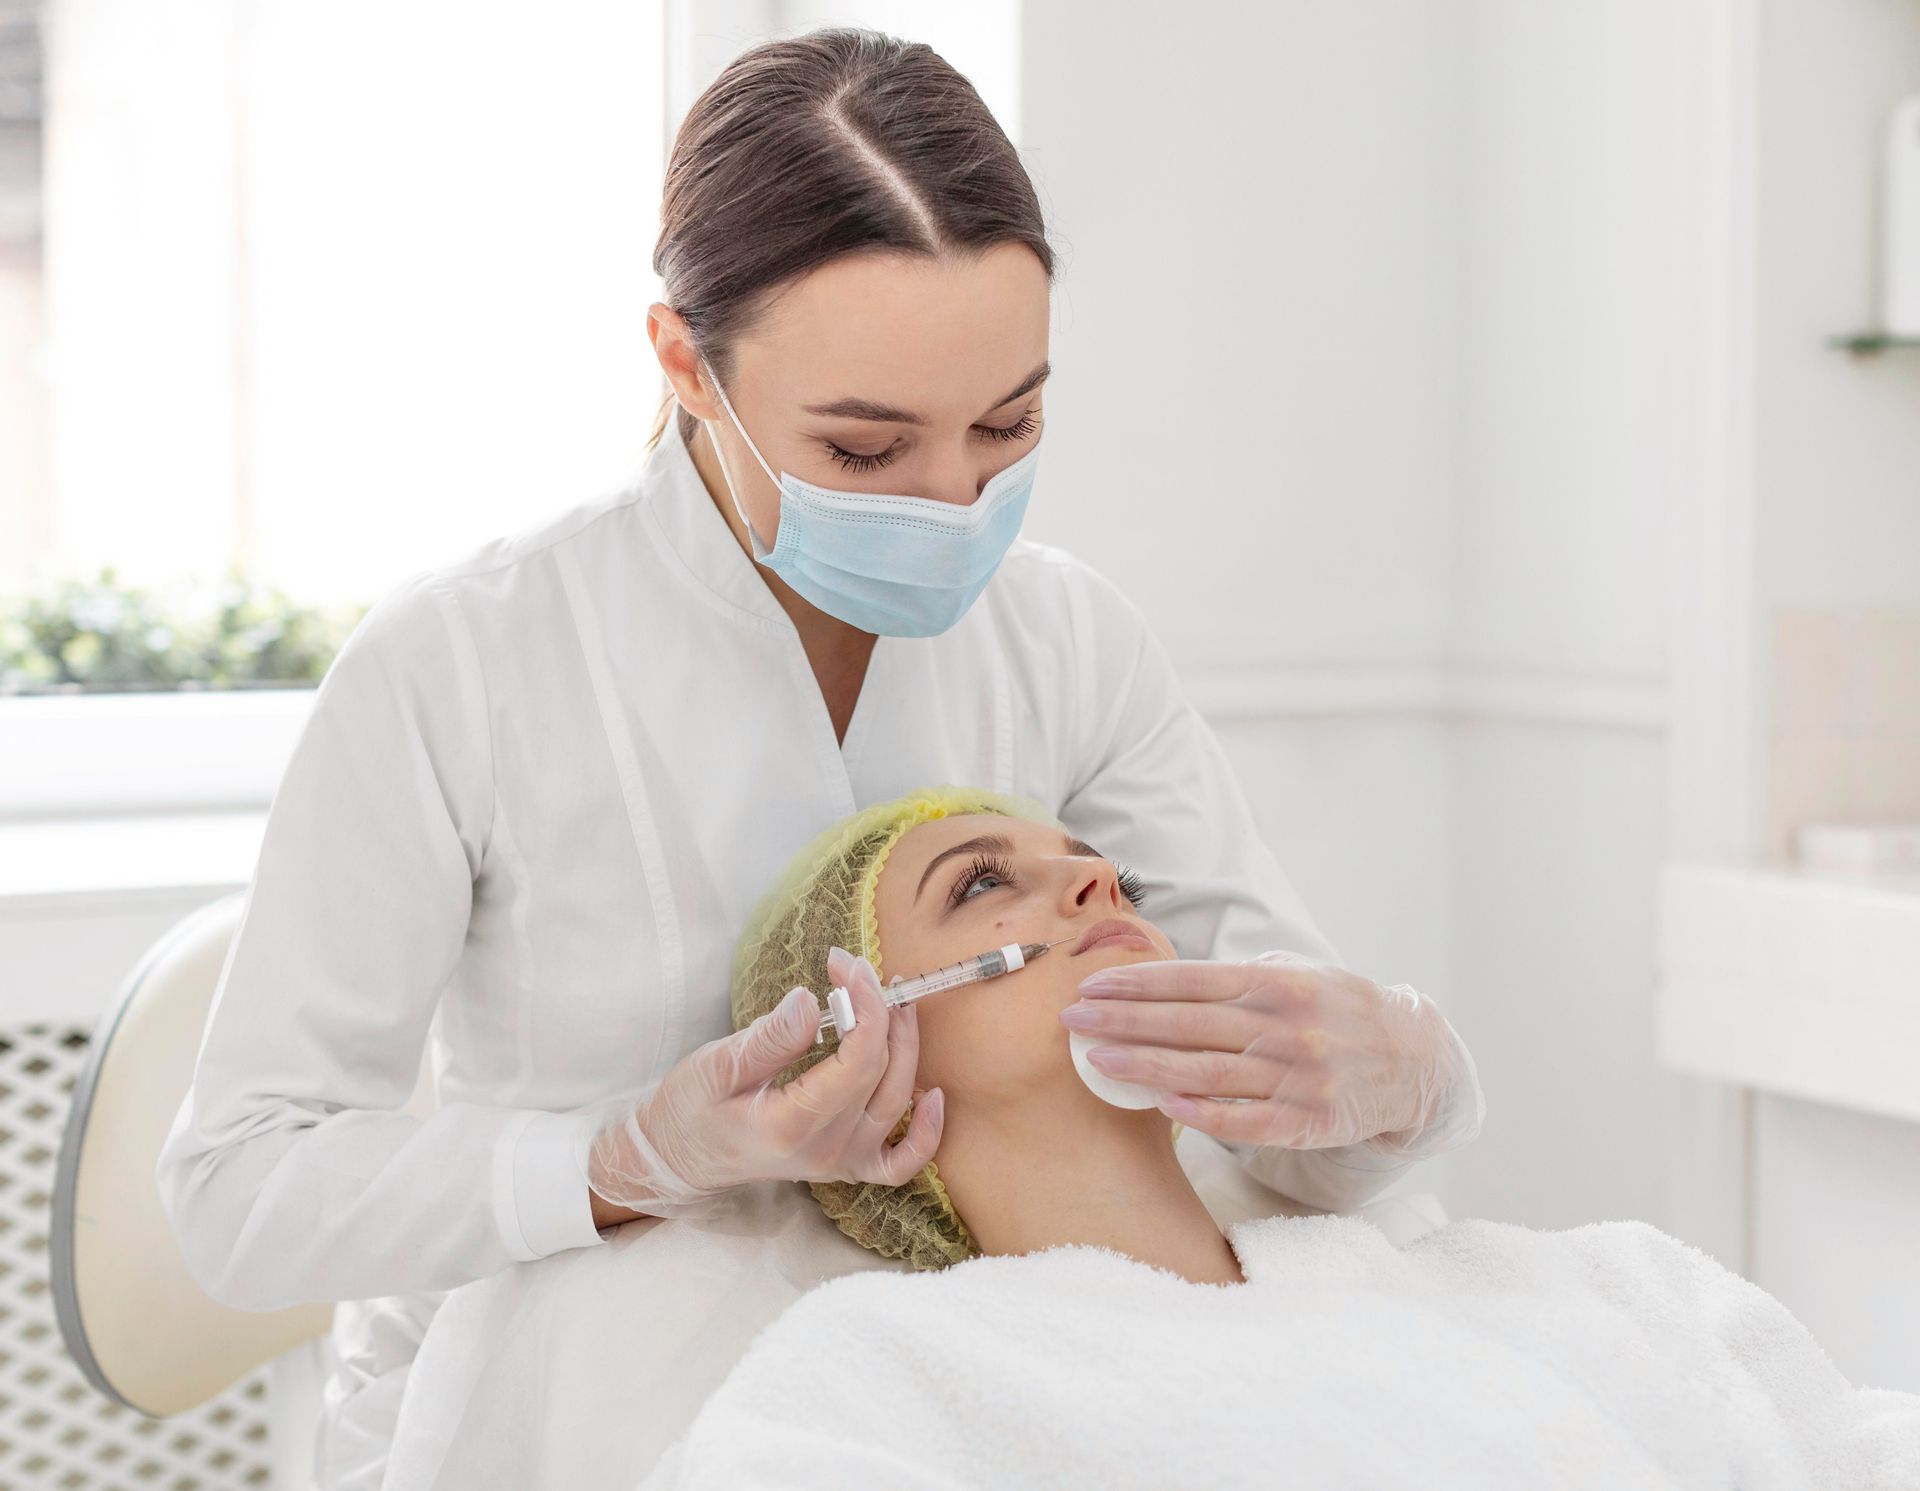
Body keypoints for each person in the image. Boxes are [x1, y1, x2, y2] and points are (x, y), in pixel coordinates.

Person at [154, 28, 1485, 1491]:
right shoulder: (463, 663)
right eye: (865, 451)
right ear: (685, 364)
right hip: (582, 1391)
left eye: (1009, 424)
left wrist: (1400, 1074)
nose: (953, 500)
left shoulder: (1070, 640)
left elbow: (1273, 1093)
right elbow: (237, 1190)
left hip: (1004, 1382)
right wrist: (625, 1154)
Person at [635, 786, 1919, 1489]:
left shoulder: (1582, 1282)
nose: (1094, 884)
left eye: (1104, 871)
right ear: (864, 1050)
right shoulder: (887, 1377)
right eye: (979, 884)